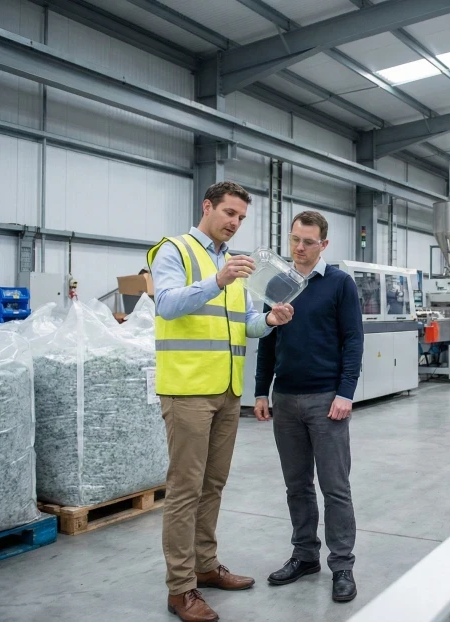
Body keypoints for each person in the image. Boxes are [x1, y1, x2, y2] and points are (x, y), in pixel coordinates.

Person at [148, 181, 294, 622]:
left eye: (241, 218)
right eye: (229, 213)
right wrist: (217, 279)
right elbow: (168, 305)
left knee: (212, 486)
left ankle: (206, 566)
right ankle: (180, 589)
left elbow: (242, 323)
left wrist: (268, 319)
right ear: (207, 207)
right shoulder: (173, 251)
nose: (234, 223)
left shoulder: (234, 263)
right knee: (184, 490)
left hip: (228, 391)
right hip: (188, 389)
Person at [254, 210, 364, 603]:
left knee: (335, 488)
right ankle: (305, 555)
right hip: (285, 399)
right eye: (295, 240)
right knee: (296, 485)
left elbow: (353, 340)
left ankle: (342, 565)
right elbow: (268, 337)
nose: (299, 248)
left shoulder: (339, 284)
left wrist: (345, 393)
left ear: (324, 245)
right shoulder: (279, 283)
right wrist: (261, 391)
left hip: (325, 400)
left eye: (308, 242)